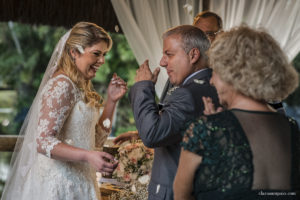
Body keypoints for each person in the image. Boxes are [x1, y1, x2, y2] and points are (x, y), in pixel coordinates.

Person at [1, 22, 127, 200]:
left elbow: (96, 140)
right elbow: (42, 141)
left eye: (104, 54)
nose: (102, 61)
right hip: (58, 186)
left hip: (81, 182)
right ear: (74, 52)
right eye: (96, 54)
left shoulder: (79, 87)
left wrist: (111, 102)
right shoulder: (62, 85)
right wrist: (88, 156)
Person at [173, 26, 300, 200]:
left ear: (231, 74)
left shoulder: (204, 130)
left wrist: (213, 129)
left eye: (215, 71)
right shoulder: (291, 128)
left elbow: (181, 195)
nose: (211, 80)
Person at [119, 25, 219, 200]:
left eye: (169, 54)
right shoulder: (212, 85)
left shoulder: (188, 93)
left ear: (193, 55)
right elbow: (173, 126)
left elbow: (152, 134)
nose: (162, 62)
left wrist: (143, 87)